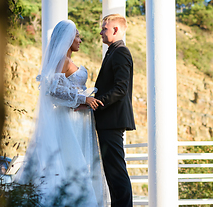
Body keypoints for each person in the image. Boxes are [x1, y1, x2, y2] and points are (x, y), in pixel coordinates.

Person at [14, 20, 106, 207]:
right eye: (77, 36)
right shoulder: (62, 61)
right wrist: (83, 99)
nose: (80, 39)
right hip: (68, 120)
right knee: (71, 160)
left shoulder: (68, 61)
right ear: (68, 38)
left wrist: (83, 100)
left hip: (78, 118)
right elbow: (53, 91)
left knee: (77, 161)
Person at [94, 14, 136, 207]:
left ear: (115, 30)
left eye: (104, 28)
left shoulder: (121, 52)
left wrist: (95, 102)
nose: (101, 32)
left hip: (112, 120)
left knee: (116, 172)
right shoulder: (112, 51)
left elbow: (121, 89)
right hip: (108, 120)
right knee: (112, 172)